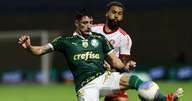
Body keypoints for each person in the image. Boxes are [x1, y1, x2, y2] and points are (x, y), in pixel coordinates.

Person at [18, 9, 183, 101]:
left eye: (90, 23)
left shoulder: (99, 38)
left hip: (104, 77)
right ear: (76, 23)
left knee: (135, 80)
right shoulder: (65, 41)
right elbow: (40, 51)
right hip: (85, 86)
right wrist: (29, 47)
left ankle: (166, 100)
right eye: (84, 23)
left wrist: (126, 66)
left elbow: (115, 62)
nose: (89, 26)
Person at [91, 1, 132, 101]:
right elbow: (77, 36)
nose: (116, 16)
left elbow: (122, 66)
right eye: (114, 12)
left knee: (121, 100)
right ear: (107, 13)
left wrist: (110, 68)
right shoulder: (93, 30)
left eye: (120, 14)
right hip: (91, 77)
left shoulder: (124, 38)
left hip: (111, 78)